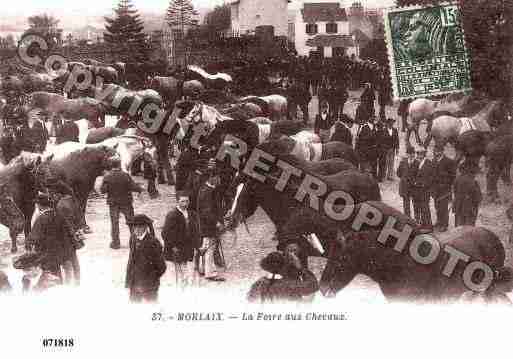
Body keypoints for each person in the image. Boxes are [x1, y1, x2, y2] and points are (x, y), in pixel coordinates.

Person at [100, 158, 143, 249]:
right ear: (119, 165)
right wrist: (139, 188)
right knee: (131, 222)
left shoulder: (107, 176)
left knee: (114, 223)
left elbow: (103, 190)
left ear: (111, 165)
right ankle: (134, 242)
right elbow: (133, 187)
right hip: (126, 202)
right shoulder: (125, 175)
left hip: (113, 203)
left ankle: (116, 243)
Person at [247, 250, 319, 303]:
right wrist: (300, 268)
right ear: (284, 267)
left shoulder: (258, 284)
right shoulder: (290, 285)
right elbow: (313, 285)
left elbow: (250, 300)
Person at [161, 191, 200, 289]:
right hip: (176, 249)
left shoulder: (192, 214)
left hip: (187, 248)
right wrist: (172, 246)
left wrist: (197, 245)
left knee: (187, 272)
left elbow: (195, 231)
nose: (185, 204)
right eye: (182, 201)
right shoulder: (172, 215)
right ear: (177, 201)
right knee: (176, 275)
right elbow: (165, 234)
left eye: (187, 201)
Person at [125, 214, 167, 303]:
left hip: (149, 285)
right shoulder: (133, 238)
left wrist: (152, 277)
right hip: (134, 282)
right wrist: (129, 280)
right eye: (133, 227)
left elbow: (161, 266)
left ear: (144, 227)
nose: (135, 229)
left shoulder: (153, 242)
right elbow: (131, 260)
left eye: (138, 227)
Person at [27, 193, 65, 284]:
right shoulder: (57, 215)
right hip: (58, 250)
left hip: (45, 251)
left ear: (39, 205)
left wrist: (28, 243)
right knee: (56, 270)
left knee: (47, 273)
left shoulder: (41, 218)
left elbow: (34, 237)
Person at [197, 169, 225, 282]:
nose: (219, 180)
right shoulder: (208, 192)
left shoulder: (205, 189)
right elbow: (207, 211)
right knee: (210, 248)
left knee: (205, 247)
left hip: (205, 224)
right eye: (218, 178)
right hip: (208, 225)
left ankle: (202, 269)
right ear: (211, 178)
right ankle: (210, 273)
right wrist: (216, 222)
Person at [431, 146, 456, 232]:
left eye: (438, 151)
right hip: (435, 189)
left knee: (444, 207)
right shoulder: (433, 161)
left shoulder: (449, 162)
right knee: (437, 206)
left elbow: (453, 176)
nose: (436, 153)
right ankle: (439, 221)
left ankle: (444, 224)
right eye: (435, 151)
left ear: (442, 151)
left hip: (444, 189)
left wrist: (447, 185)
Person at [453, 161, 482, 226]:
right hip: (469, 208)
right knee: (469, 228)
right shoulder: (473, 181)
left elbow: (455, 191)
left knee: (459, 226)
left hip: (458, 206)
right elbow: (477, 197)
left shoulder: (457, 179)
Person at [412, 148, 434, 229]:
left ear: (424, 154)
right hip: (416, 190)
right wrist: (414, 182)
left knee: (425, 207)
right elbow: (412, 174)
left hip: (425, 190)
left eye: (420, 153)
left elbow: (432, 177)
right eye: (418, 153)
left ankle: (428, 225)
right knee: (417, 207)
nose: (419, 155)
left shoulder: (429, 163)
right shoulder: (415, 163)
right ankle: (422, 224)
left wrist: (425, 184)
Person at [397, 146, 419, 218]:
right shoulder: (403, 162)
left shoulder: (417, 163)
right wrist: (404, 179)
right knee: (406, 204)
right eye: (409, 153)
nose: (411, 155)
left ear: (414, 154)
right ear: (407, 154)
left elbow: (419, 175)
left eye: (412, 153)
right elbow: (398, 173)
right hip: (405, 186)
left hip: (414, 187)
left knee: (415, 203)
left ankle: (417, 218)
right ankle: (407, 218)